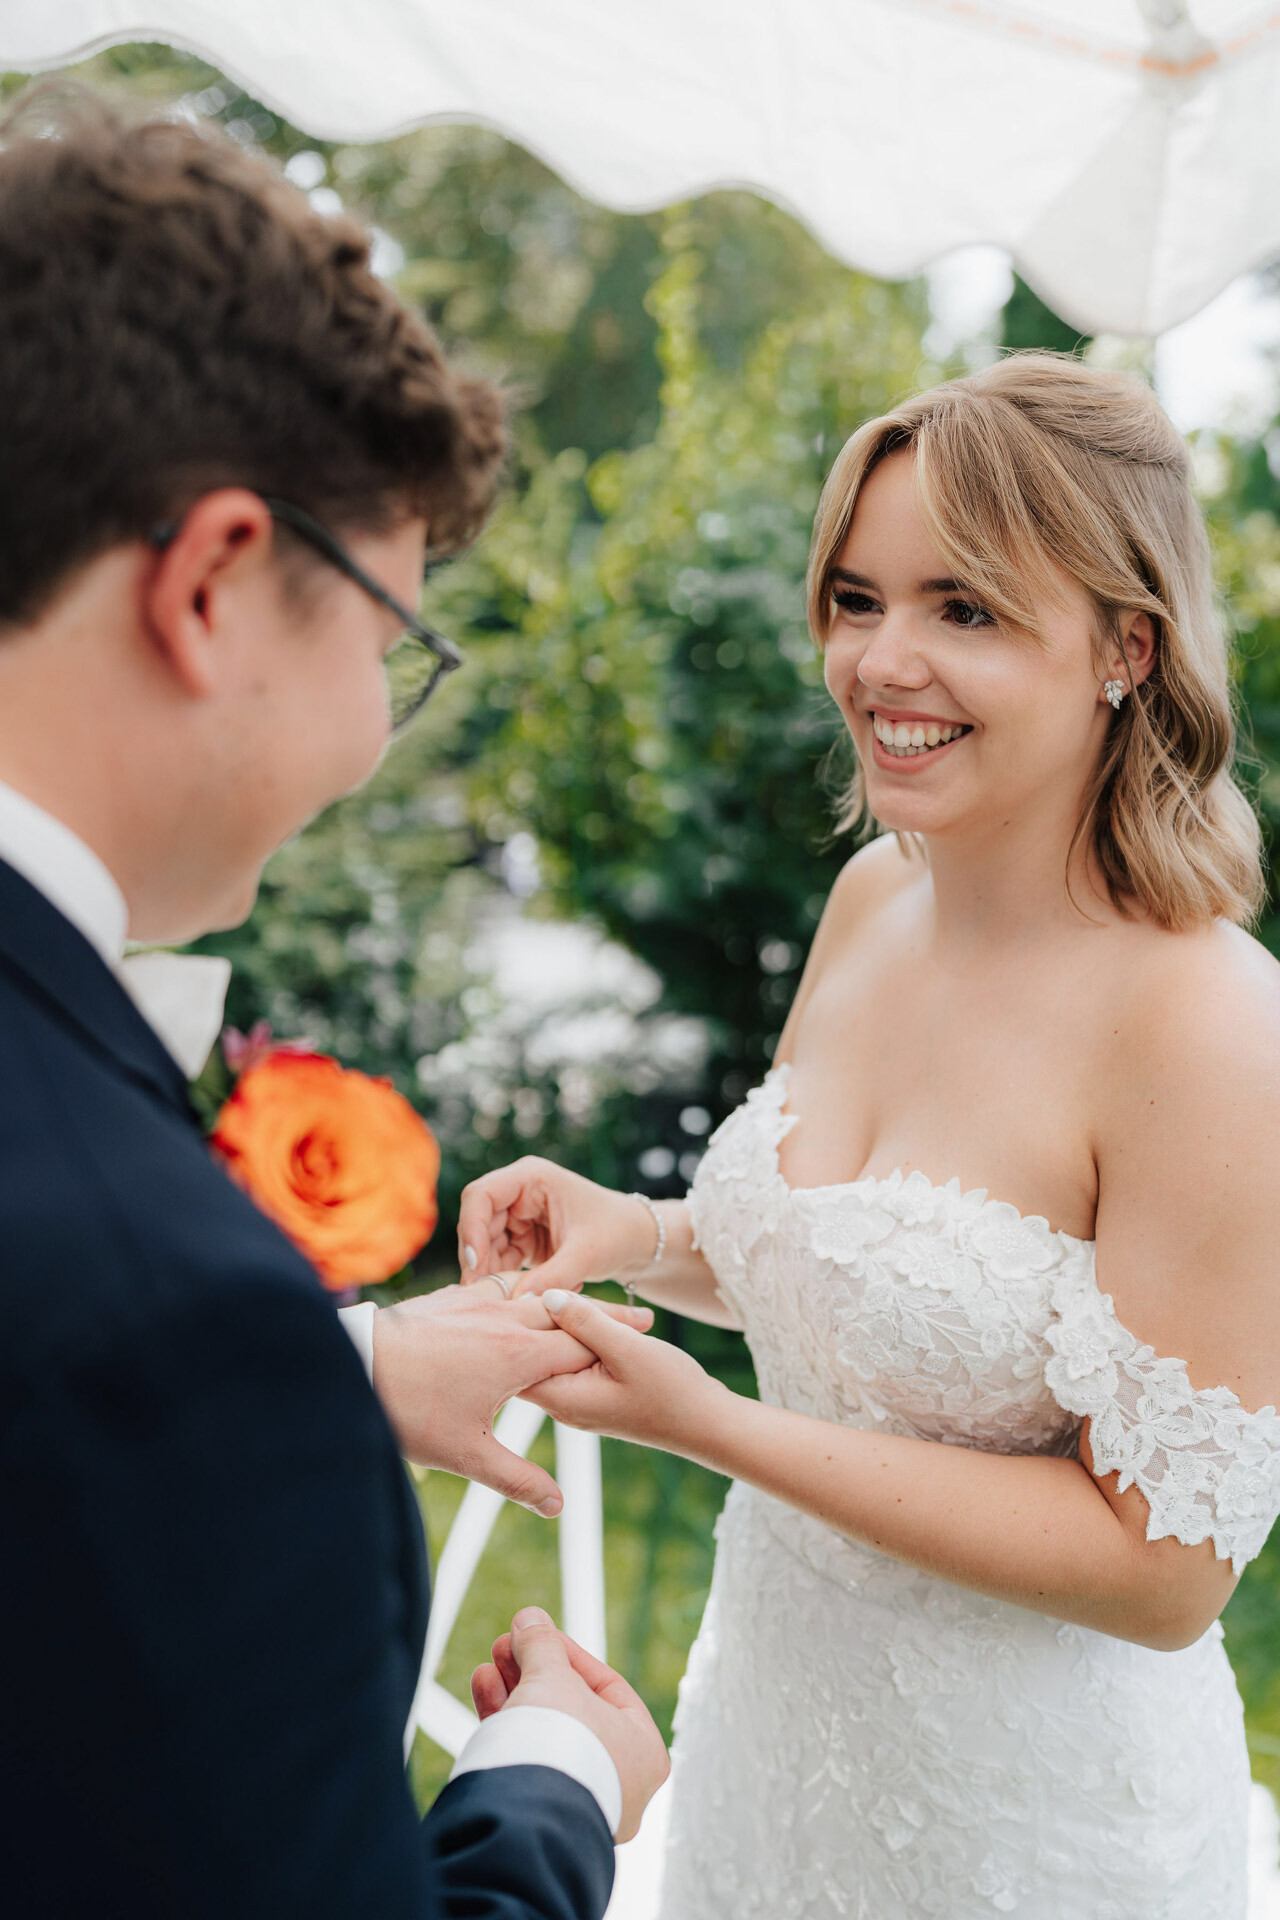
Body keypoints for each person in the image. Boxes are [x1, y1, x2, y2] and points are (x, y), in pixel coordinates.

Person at [460, 355, 1280, 1918]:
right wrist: (638, 1235)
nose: (881, 661)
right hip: (777, 1742)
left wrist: (707, 1424)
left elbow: (1167, 1569)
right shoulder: (872, 901)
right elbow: (852, 1271)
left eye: (963, 608)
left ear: (1126, 646)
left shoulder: (1210, 1025)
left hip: (1030, 1831)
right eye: (855, 597)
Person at [0, 89, 668, 1918]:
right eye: (390, 645)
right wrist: (549, 1790)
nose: (378, 731)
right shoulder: (178, 1334)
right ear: (216, 582)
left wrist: (355, 1361)